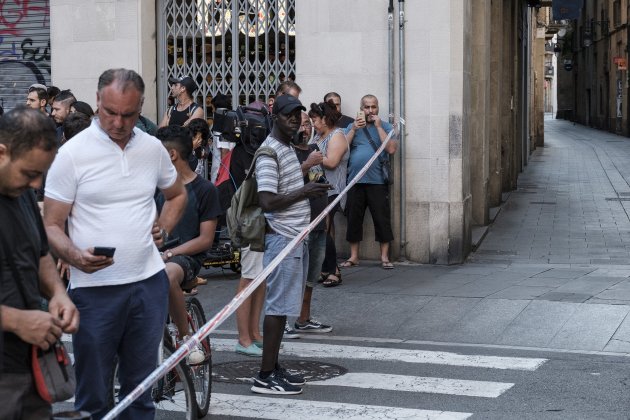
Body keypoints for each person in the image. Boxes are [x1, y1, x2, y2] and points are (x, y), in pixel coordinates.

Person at [43, 68, 187, 419]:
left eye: (128, 114)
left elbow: (177, 194)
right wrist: (74, 255)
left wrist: (163, 227)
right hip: (94, 292)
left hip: (147, 285)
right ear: (97, 102)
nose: (119, 122)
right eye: (110, 112)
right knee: (93, 394)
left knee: (141, 390)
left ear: (140, 109)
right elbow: (50, 225)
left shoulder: (152, 149)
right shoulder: (72, 154)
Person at [0, 107, 79, 420]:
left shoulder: (22, 197)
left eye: (40, 176)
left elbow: (41, 254)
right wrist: (15, 321)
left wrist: (58, 293)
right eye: (29, 173)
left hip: (32, 365)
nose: (35, 185)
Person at [251, 94, 329, 395]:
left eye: (299, 115)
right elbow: (267, 200)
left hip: (295, 237)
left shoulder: (285, 149)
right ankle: (264, 375)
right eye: (289, 115)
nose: (296, 120)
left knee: (283, 308)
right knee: (277, 307)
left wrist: (307, 186)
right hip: (281, 238)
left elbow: (284, 187)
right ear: (275, 117)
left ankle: (274, 366)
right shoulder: (270, 151)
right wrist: (305, 192)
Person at [154, 125, 221, 364]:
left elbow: (205, 239)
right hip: (155, 254)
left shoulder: (205, 190)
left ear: (171, 155)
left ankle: (185, 337)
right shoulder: (155, 187)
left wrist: (170, 252)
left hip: (186, 258)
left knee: (166, 274)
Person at [341, 94, 397, 269]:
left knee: (382, 219)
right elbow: (342, 149)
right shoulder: (352, 126)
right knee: (353, 219)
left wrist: (380, 127)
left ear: (378, 108)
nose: (371, 111)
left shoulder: (386, 127)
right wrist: (353, 130)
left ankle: (385, 257)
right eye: (367, 107)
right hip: (355, 181)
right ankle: (354, 256)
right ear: (361, 108)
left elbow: (391, 149)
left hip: (378, 182)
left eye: (374, 107)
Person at [292, 111, 333, 334]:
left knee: (311, 277)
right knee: (293, 276)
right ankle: (284, 322)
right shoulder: (287, 153)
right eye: (299, 124)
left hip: (318, 222)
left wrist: (325, 217)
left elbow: (319, 181)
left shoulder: (314, 150)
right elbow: (285, 185)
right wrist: (306, 165)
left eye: (307, 124)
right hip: (298, 225)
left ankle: (303, 318)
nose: (304, 128)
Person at [309, 100, 349, 287]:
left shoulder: (337, 136)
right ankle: (324, 268)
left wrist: (312, 158)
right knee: (320, 230)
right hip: (317, 190)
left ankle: (335, 270)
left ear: (325, 119)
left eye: (315, 120)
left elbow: (332, 162)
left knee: (324, 229)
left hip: (332, 190)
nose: (313, 124)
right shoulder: (317, 137)